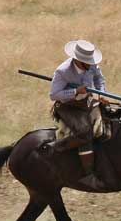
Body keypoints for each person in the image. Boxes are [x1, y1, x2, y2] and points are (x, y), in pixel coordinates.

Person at [40, 40, 109, 189]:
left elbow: (99, 80)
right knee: (85, 132)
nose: (91, 64)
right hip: (68, 106)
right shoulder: (62, 71)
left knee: (110, 121)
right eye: (88, 62)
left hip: (87, 102)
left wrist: (102, 93)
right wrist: (75, 91)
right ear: (78, 60)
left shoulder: (92, 66)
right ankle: (86, 174)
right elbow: (54, 95)